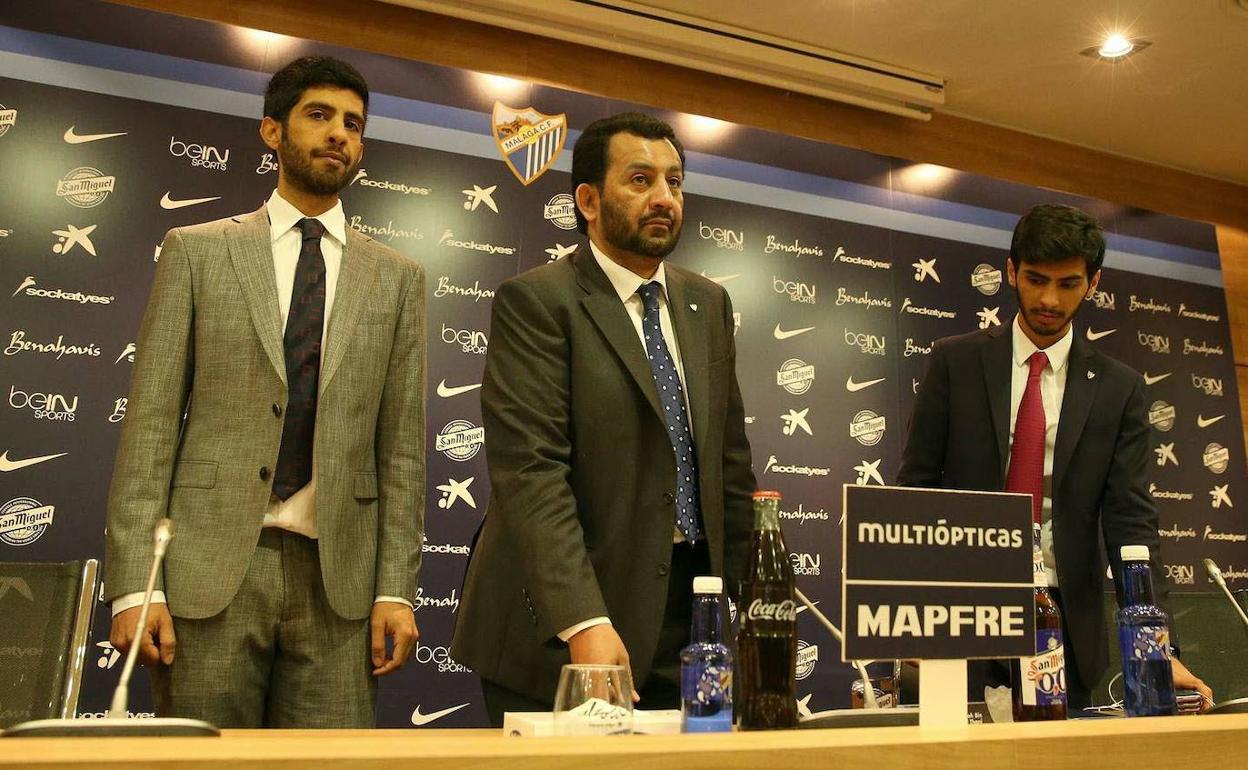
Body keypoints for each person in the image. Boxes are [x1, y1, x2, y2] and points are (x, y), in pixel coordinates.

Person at [105, 56, 425, 728]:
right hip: (208, 573)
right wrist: (136, 584)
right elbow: (152, 428)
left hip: (340, 584)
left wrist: (396, 587)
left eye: (353, 123)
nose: (340, 133)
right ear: (273, 132)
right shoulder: (196, 252)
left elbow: (401, 451)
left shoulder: (397, 279)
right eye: (320, 115)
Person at [451, 112, 756, 725]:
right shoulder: (539, 301)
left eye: (675, 181)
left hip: (690, 621)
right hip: (563, 623)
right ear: (588, 200)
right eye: (640, 180)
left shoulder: (707, 303)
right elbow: (531, 474)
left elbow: (729, 468)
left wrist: (750, 608)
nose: (664, 198)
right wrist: (582, 621)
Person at [898, 203, 1211, 710]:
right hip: (961, 612)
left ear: (1093, 283)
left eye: (1068, 284)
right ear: (1010, 272)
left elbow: (1132, 524)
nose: (1048, 299)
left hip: (1068, 623)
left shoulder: (1119, 388)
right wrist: (910, 613)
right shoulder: (953, 362)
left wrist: (1157, 647)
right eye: (1035, 279)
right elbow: (914, 492)